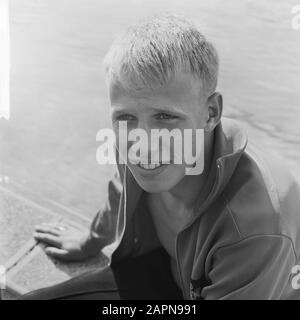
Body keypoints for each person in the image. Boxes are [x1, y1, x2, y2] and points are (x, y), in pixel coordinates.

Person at [22, 14, 300, 300]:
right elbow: (121, 190)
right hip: (169, 271)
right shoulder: (133, 139)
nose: (144, 144)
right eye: (125, 116)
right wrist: (90, 242)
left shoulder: (256, 229)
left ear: (211, 113)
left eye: (165, 116)